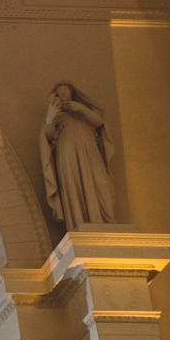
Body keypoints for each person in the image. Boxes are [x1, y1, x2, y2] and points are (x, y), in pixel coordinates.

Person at [39, 81, 117, 230]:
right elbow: (48, 136)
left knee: (100, 182)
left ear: (73, 93)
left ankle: (106, 219)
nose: (63, 94)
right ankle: (78, 222)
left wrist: (80, 109)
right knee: (73, 184)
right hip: (67, 155)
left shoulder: (83, 113)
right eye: (59, 92)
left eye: (66, 91)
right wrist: (50, 118)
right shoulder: (56, 115)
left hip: (89, 152)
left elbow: (99, 122)